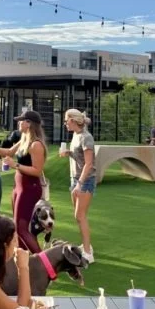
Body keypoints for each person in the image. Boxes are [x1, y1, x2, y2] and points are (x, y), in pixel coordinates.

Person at [0, 110, 46, 253]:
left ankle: (45, 265)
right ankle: (22, 261)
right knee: (18, 227)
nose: (19, 122)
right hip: (19, 186)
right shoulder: (24, 138)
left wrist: (15, 165)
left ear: (29, 124)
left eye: (22, 120)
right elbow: (9, 152)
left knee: (21, 228)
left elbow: (37, 170)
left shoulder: (36, 145)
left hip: (29, 187)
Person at [60, 109, 96, 264]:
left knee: (80, 216)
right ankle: (87, 246)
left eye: (66, 120)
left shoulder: (87, 138)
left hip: (85, 180)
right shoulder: (76, 135)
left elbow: (89, 164)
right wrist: (69, 153)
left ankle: (88, 253)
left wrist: (80, 184)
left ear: (73, 121)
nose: (65, 123)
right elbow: (80, 156)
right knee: (79, 216)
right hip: (75, 179)